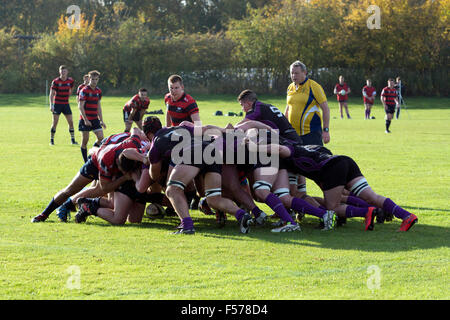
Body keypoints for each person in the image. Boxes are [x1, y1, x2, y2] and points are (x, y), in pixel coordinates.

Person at [248, 134, 418, 232]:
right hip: (344, 161)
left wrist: (254, 147)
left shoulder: (289, 150)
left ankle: (366, 212)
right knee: (372, 196)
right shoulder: (305, 147)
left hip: (331, 168)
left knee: (333, 207)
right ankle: (406, 216)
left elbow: (279, 149)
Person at [31, 128, 149, 223]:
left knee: (114, 203)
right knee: (72, 189)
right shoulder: (106, 161)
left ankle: (85, 204)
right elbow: (105, 188)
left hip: (112, 149)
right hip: (96, 160)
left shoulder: (133, 145)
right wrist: (124, 178)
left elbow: (135, 130)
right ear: (118, 166)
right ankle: (46, 213)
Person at [284, 61, 331, 209]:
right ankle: (301, 198)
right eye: (292, 73)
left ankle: (333, 197)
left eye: (296, 73)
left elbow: (326, 109)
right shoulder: (291, 87)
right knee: (297, 166)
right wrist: (283, 127)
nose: (294, 76)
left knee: (318, 169)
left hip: (311, 134)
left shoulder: (313, 86)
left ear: (304, 73)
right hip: (294, 136)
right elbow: (288, 108)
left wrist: (326, 130)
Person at [78, 70, 106, 162]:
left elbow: (98, 106)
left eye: (96, 79)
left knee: (101, 138)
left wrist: (101, 120)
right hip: (85, 119)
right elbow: (80, 106)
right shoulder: (84, 90)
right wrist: (85, 120)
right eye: (92, 79)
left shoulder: (98, 91)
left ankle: (91, 155)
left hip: (95, 119)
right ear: (89, 78)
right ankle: (85, 161)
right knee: (84, 141)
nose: (94, 81)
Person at [49, 65, 77, 145]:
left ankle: (73, 140)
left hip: (66, 104)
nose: (63, 73)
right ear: (59, 72)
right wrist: (51, 105)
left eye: (64, 71)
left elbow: (72, 88)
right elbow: (51, 94)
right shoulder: (56, 81)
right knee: (55, 122)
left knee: (71, 122)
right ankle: (52, 140)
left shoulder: (70, 81)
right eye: (62, 71)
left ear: (67, 72)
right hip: (57, 104)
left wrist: (69, 94)